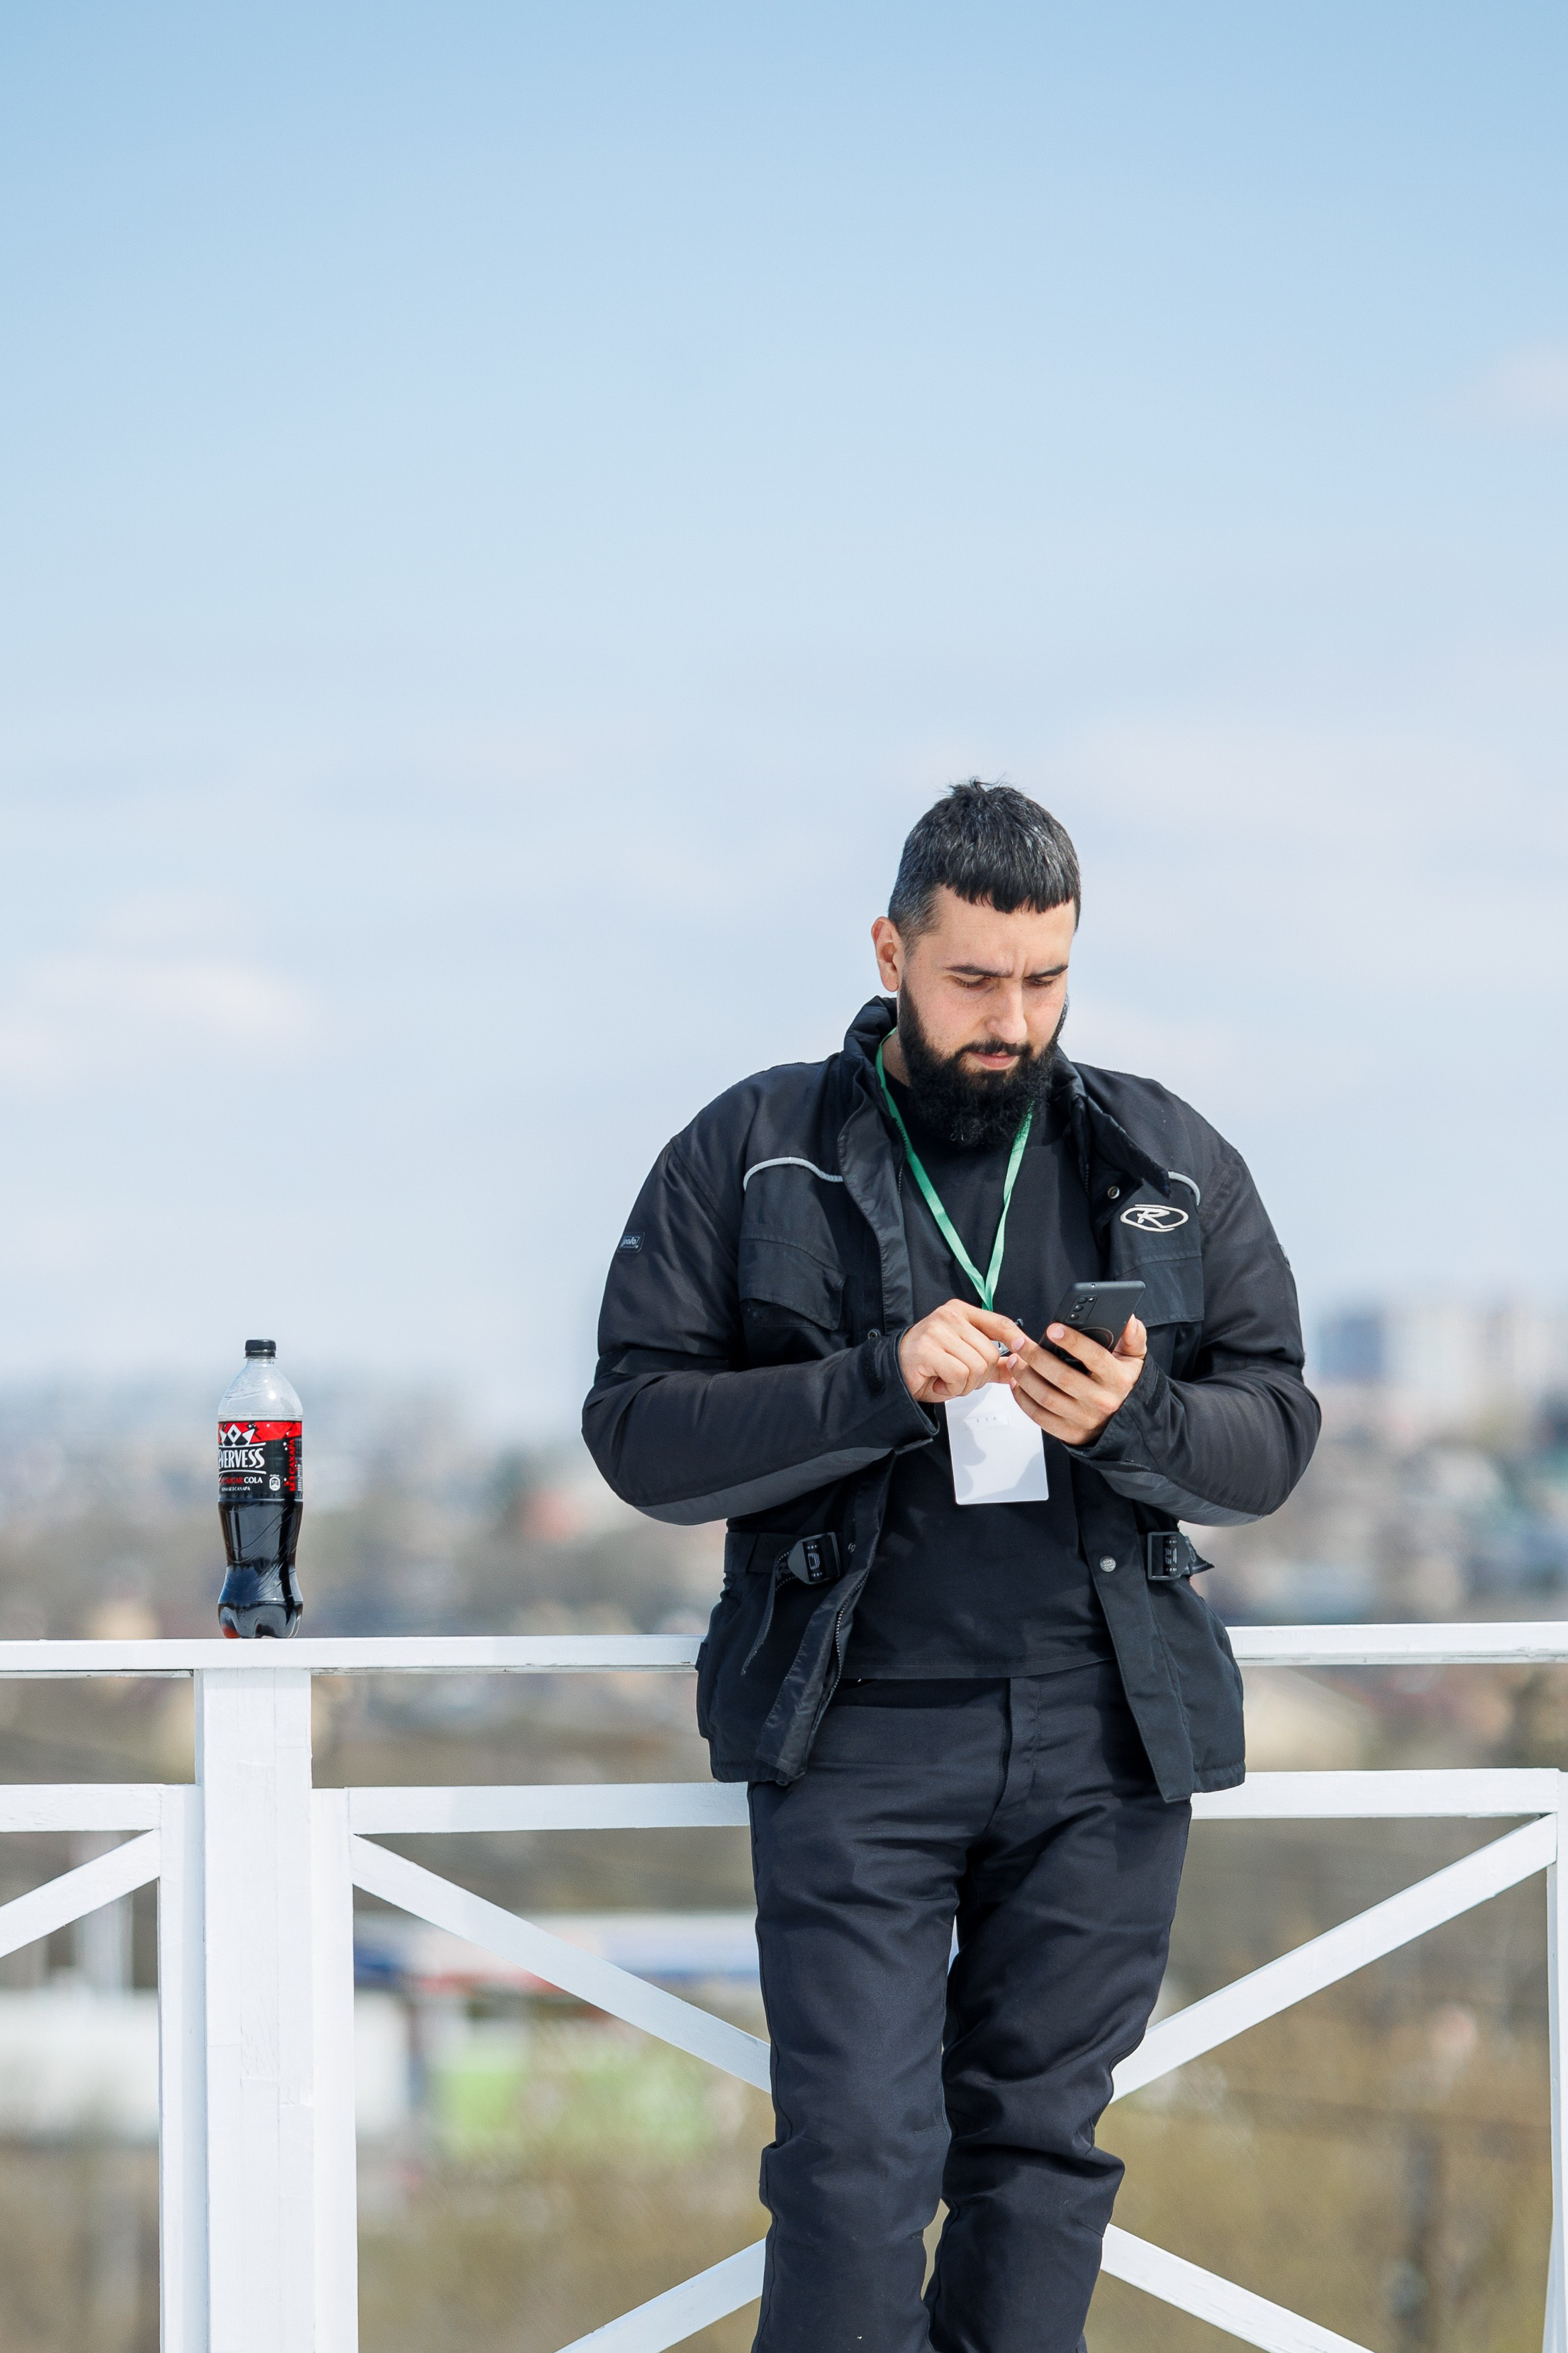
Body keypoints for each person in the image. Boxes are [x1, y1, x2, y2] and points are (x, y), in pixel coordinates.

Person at [583, 782, 1319, 2353]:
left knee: (1041, 2155)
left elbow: (1275, 1431)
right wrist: (875, 1382)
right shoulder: (752, 1148)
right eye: (976, 979)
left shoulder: (1166, 1155)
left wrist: (1137, 1420)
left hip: (1108, 1727)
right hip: (854, 1727)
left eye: (1046, 978)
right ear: (891, 952)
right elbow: (638, 1433)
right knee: (854, 2166)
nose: (1014, 1020)